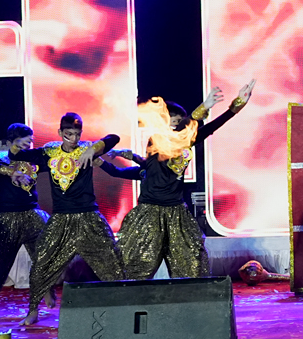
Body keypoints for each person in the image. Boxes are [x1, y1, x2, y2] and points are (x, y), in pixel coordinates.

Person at [99, 81, 254, 280]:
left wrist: (236, 106)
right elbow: (171, 142)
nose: (177, 125)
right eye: (172, 121)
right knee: (136, 270)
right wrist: (203, 108)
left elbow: (212, 127)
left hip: (177, 213)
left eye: (179, 121)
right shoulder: (156, 139)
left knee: (190, 268)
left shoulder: (186, 142)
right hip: (149, 213)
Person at [9, 113, 124, 324]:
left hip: (89, 217)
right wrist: (16, 146)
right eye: (68, 134)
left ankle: (123, 307)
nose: (73, 138)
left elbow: (114, 138)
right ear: (60, 132)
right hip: (61, 219)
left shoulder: (86, 149)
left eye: (77, 134)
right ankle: (33, 310)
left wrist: (93, 149)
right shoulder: (49, 152)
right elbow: (18, 156)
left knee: (113, 263)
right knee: (41, 262)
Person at [0, 123, 51, 311]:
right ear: (12, 140)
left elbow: (53, 161)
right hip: (7, 218)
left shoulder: (33, 159)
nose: (30, 143)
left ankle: (46, 291)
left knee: (43, 258)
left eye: (31, 140)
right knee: (1, 265)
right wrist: (11, 171)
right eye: (25, 140)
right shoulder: (0, 159)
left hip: (32, 215)